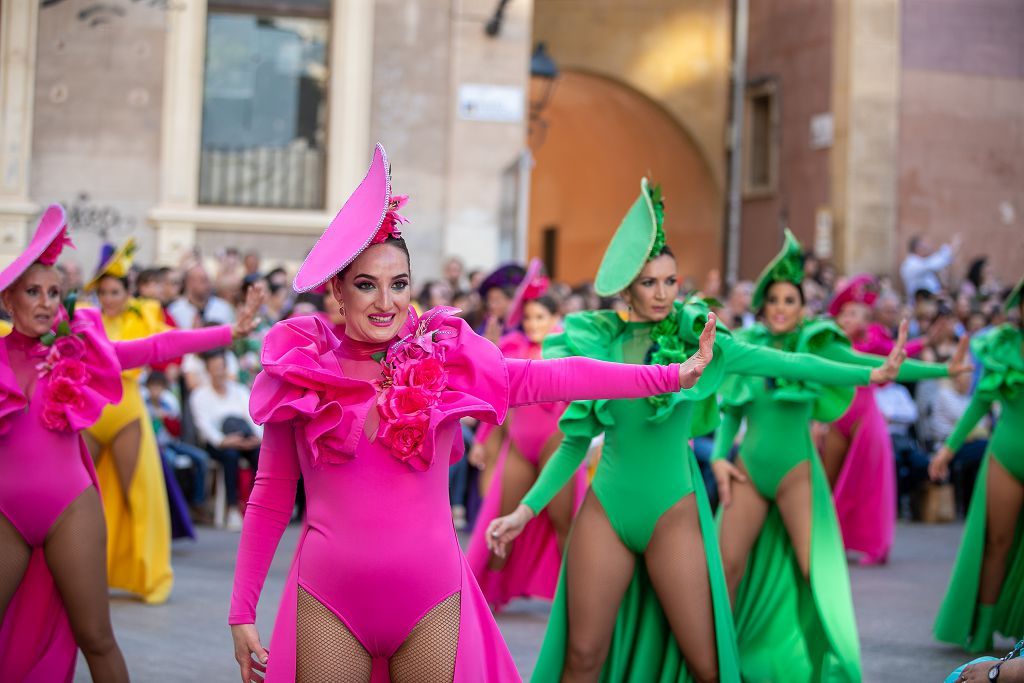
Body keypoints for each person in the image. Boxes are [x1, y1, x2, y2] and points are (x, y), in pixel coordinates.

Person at [227, 145, 718, 682]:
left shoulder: (443, 358)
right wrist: (241, 610)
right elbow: (271, 495)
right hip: (329, 601)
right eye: (366, 284)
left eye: (398, 284)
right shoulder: (301, 369)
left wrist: (670, 376)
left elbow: (551, 377)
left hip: (430, 600)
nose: (385, 302)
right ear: (337, 291)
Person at [487, 182, 910, 683]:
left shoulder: (700, 344)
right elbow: (575, 442)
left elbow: (788, 359)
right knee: (582, 659)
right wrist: (524, 510)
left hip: (673, 514)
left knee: (705, 665)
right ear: (629, 287)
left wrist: (870, 373)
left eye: (670, 281)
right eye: (649, 282)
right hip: (606, 511)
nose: (662, 293)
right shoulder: (601, 343)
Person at [0, 205, 256, 680]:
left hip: (69, 509)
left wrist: (229, 331)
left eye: (54, 293)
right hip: (6, 515)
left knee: (96, 639)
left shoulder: (77, 351)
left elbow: (155, 348)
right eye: (32, 292)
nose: (44, 302)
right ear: (8, 299)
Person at [712, 230, 908, 681]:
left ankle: (826, 668)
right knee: (725, 569)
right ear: (762, 307)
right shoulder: (747, 348)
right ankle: (721, 665)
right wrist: (720, 457)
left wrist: (896, 371)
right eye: (774, 300)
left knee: (813, 571)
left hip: (797, 472)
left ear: (803, 309)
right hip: (748, 472)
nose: (781, 307)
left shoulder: (811, 345)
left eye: (790, 300)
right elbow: (730, 413)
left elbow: (836, 367)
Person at [80, 239, 263, 603]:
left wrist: (228, 333)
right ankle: (80, 571)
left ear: (128, 291)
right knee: (82, 498)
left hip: (126, 412)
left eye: (115, 290)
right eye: (103, 291)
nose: (109, 297)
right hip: (90, 413)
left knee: (136, 496)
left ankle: (145, 573)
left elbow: (165, 346)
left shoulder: (142, 316)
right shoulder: (85, 320)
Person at [822, 274, 968, 564]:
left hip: (864, 417)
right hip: (836, 416)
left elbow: (896, 361)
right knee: (829, 483)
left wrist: (934, 356)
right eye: (846, 313)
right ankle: (824, 540)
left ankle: (869, 544)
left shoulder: (873, 342)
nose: (851, 318)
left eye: (858, 313)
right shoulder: (827, 344)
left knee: (866, 484)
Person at [466, 260, 584, 611]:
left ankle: (573, 599)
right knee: (503, 521)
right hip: (519, 444)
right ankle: (490, 595)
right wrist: (485, 440)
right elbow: (495, 398)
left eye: (541, 318)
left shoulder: (568, 349)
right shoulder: (511, 347)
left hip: (556, 443)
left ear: (555, 319)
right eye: (529, 317)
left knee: (564, 523)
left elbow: (590, 394)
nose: (533, 324)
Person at [930, 275, 1024, 653]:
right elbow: (981, 404)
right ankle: (983, 632)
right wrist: (947, 450)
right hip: (1006, 455)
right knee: (996, 544)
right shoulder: (1003, 347)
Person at [190, 348, 262, 531]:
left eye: (221, 367)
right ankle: (231, 508)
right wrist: (225, 440)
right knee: (230, 456)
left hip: (245, 438)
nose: (219, 372)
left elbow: (251, 416)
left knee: (261, 455)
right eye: (214, 368)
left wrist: (258, 438)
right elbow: (204, 426)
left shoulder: (238, 391)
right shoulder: (199, 395)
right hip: (218, 443)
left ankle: (256, 505)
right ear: (208, 370)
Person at [143, 370, 211, 507]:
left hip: (172, 443)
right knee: (171, 461)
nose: (156, 390)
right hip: (153, 447)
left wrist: (166, 419)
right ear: (148, 387)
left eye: (159, 386)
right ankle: (172, 505)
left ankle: (197, 503)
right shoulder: (143, 406)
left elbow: (176, 432)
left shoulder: (168, 406)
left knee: (202, 458)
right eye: (153, 386)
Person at [168, 264, 236, 329]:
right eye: (203, 280)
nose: (208, 285)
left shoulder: (224, 308)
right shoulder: (175, 311)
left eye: (208, 280)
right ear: (189, 283)